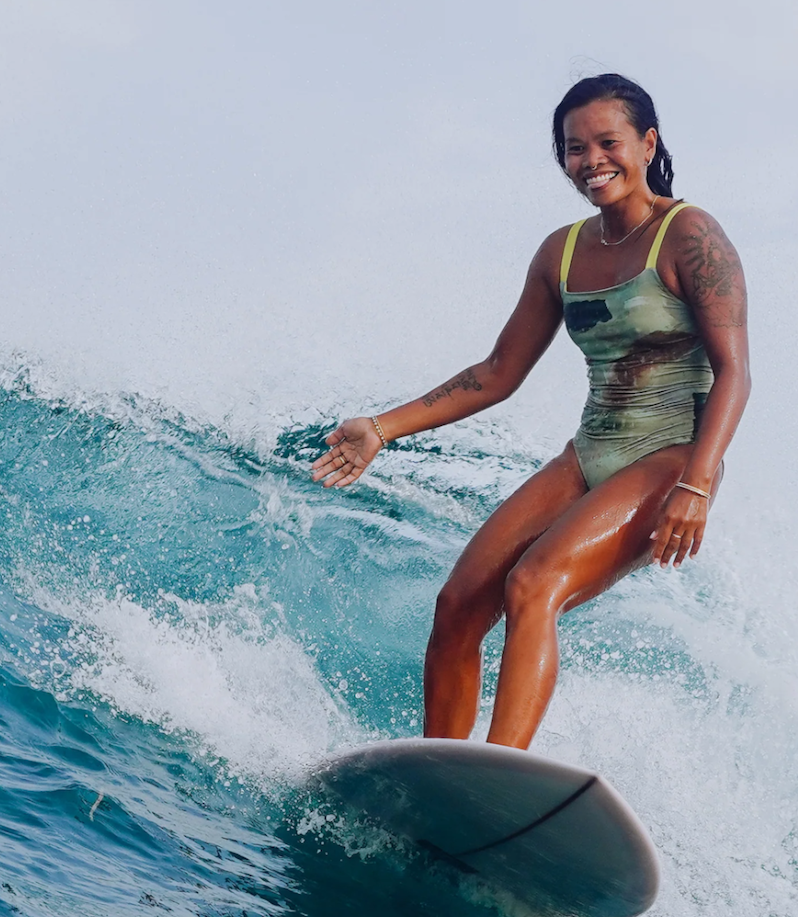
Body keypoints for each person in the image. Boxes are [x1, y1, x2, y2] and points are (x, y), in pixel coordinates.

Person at [311, 74, 750, 750]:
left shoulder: (690, 233)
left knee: (534, 583)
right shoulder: (561, 252)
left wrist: (696, 483)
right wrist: (382, 428)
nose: (592, 160)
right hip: (590, 452)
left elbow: (734, 372)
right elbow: (498, 373)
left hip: (672, 455)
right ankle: (441, 769)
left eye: (609, 142)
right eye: (575, 149)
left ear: (648, 142)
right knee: (458, 604)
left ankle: (500, 770)